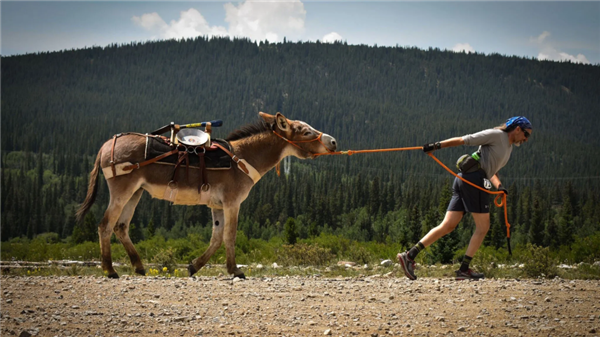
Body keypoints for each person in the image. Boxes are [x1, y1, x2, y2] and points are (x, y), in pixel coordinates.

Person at [397, 116, 533, 280]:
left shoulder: (508, 148)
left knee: (447, 225)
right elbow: (464, 140)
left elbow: (492, 170)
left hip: (464, 179)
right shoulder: (496, 135)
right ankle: (464, 270)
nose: (526, 139)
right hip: (475, 179)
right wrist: (436, 146)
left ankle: (409, 256)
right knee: (483, 228)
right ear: (517, 129)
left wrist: (499, 186)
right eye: (526, 134)